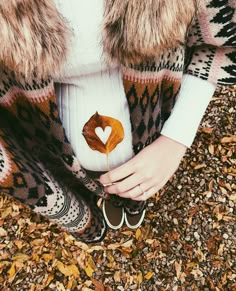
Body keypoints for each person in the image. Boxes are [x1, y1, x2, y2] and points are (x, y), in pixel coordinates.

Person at [0, 0, 235, 243]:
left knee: (137, 187)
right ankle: (106, 197)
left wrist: (175, 138)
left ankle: (134, 203)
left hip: (153, 146)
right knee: (96, 185)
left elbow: (220, 43)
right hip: (62, 159)